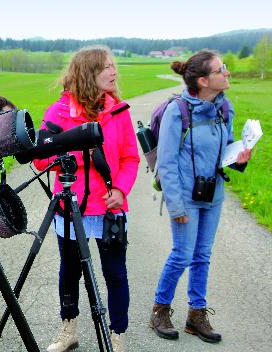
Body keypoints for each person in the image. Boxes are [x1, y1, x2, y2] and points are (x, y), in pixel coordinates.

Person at [34, 46, 140, 352]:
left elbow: (131, 158)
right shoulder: (58, 112)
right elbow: (41, 161)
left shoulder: (119, 112)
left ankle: (117, 336)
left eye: (113, 66)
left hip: (111, 209)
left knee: (115, 274)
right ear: (87, 73)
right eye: (106, 67)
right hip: (71, 209)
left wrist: (120, 189)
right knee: (70, 272)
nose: (114, 72)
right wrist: (76, 153)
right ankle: (68, 330)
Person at [149, 50, 251, 343]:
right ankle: (160, 309)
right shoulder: (177, 111)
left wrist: (240, 157)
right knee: (182, 255)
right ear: (204, 80)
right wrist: (176, 205)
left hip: (213, 194)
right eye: (222, 69)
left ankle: (196, 315)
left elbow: (226, 148)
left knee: (202, 256)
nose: (228, 72)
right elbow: (166, 163)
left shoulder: (224, 108)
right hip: (185, 197)